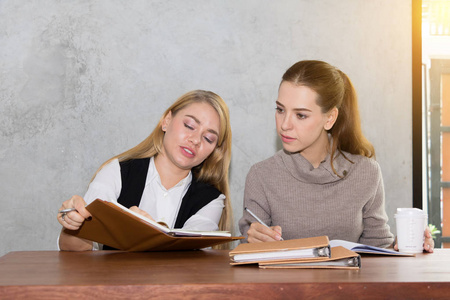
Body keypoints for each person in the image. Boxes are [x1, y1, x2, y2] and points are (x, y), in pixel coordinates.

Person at [239, 60, 434, 252]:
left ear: (330, 118)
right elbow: (246, 257)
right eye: (280, 110)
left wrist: (404, 246)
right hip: (282, 284)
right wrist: (253, 243)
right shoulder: (261, 175)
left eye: (300, 115)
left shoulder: (366, 172)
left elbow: (378, 248)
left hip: (350, 284)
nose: (284, 124)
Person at [57, 90, 232, 251]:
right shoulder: (117, 172)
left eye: (208, 138)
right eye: (189, 125)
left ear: (213, 152)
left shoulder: (211, 200)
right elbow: (76, 248)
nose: (195, 140)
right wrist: (74, 225)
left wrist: (141, 229)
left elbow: (188, 256)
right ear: (166, 121)